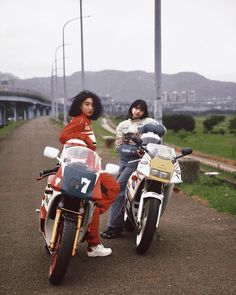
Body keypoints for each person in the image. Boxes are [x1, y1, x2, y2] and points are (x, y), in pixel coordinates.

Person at [59, 90, 120, 257]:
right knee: (96, 199)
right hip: (81, 169)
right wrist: (84, 139)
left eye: (92, 104)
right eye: (87, 104)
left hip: (90, 167)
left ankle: (88, 219)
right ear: (79, 105)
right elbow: (64, 136)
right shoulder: (79, 121)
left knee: (112, 187)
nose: (90, 107)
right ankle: (93, 244)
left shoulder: (86, 122)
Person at [100, 99, 166, 239]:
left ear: (144, 111)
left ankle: (114, 228)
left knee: (118, 190)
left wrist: (145, 128)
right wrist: (135, 149)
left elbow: (162, 130)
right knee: (123, 192)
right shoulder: (123, 125)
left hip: (139, 162)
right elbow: (119, 145)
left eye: (141, 109)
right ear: (131, 108)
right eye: (135, 108)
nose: (137, 111)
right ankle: (127, 222)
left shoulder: (149, 121)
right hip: (124, 160)